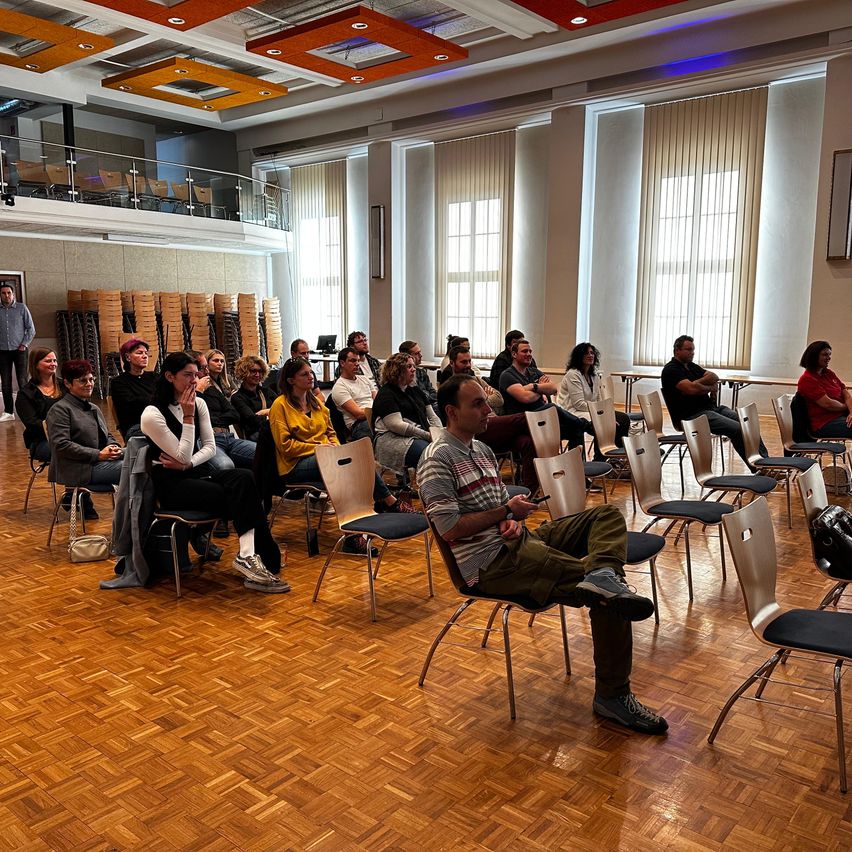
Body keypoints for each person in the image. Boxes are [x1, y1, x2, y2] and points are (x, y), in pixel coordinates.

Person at [417, 374, 667, 735]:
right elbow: (449, 528)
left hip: (517, 542)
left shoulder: (481, 449)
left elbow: (497, 507)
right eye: (478, 404)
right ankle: (613, 696)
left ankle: (603, 574)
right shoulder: (436, 459)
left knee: (605, 516)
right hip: (491, 564)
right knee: (611, 599)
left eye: (485, 402)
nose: (488, 410)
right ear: (451, 412)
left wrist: (509, 516)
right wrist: (505, 513)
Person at [140, 352, 287, 593]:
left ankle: (246, 554)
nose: (194, 380)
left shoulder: (199, 403)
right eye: (187, 375)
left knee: (244, 477)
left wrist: (189, 464)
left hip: (195, 472)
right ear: (169, 377)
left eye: (195, 374)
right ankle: (259, 554)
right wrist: (188, 417)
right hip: (171, 485)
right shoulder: (152, 414)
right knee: (241, 495)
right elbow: (182, 455)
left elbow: (209, 447)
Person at [268, 358, 415, 554]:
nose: (311, 377)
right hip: (295, 465)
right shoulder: (280, 406)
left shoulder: (316, 403)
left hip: (326, 458)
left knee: (355, 462)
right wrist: (320, 448)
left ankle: (358, 530)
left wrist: (335, 449)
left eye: (311, 372)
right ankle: (386, 505)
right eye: (304, 374)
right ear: (290, 380)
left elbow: (331, 432)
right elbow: (286, 446)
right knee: (344, 466)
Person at [441, 344, 539, 492]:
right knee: (526, 419)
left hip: (494, 429)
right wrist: (486, 396)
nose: (468, 365)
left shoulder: (476, 380)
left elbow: (499, 399)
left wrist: (483, 400)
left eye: (469, 361)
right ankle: (553, 430)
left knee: (528, 441)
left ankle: (531, 493)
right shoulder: (451, 388)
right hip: (478, 431)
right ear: (452, 363)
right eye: (463, 362)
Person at [661, 335, 766, 467]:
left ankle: (765, 462)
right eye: (688, 350)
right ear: (677, 350)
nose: (692, 353)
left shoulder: (691, 366)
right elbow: (691, 390)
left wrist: (697, 384)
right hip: (693, 416)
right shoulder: (671, 370)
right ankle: (757, 467)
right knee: (737, 429)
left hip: (710, 409)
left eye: (693, 350)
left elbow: (713, 377)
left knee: (748, 422)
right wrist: (708, 387)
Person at [47, 359, 123, 518]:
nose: (89, 384)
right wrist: (98, 454)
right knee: (133, 469)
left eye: (91, 379)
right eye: (83, 381)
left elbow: (107, 434)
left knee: (141, 457)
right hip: (78, 468)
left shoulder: (93, 408)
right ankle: (132, 517)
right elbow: (61, 445)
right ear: (67, 384)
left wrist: (113, 446)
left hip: (97, 461)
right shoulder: (59, 410)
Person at [499, 339, 585, 448]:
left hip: (543, 420)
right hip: (524, 421)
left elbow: (553, 388)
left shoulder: (534, 371)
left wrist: (533, 386)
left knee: (577, 429)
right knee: (551, 407)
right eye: (525, 351)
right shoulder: (507, 375)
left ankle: (578, 459)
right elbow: (525, 397)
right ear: (514, 354)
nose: (529, 354)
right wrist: (541, 389)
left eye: (530, 351)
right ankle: (587, 425)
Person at [373, 352, 442, 475]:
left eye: (414, 366)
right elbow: (397, 425)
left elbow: (432, 416)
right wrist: (429, 436)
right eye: (409, 366)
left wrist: (439, 433)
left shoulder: (415, 390)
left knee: (444, 448)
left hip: (417, 434)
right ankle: (428, 482)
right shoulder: (386, 394)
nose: (414, 369)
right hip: (392, 438)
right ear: (397, 370)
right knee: (429, 452)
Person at [558, 342, 629, 459]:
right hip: (573, 412)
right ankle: (600, 458)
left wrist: (605, 413)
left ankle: (616, 458)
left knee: (623, 418)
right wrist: (601, 414)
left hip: (589, 411)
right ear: (579, 356)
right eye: (586, 353)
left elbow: (598, 399)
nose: (590, 355)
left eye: (592, 353)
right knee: (604, 422)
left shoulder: (594, 375)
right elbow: (578, 404)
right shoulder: (573, 374)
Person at [198, 348, 256, 469]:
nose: (220, 364)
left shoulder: (223, 382)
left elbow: (234, 414)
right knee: (225, 465)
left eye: (222, 361)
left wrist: (215, 419)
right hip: (210, 437)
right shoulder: (199, 390)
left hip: (228, 434)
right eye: (216, 361)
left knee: (265, 452)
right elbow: (199, 416)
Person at [15, 346, 63, 462]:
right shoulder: (25, 394)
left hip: (71, 435)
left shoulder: (65, 385)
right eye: (48, 361)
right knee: (71, 450)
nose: (53, 364)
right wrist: (63, 429)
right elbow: (33, 424)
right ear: (36, 365)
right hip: (42, 441)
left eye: (55, 360)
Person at [797, 340, 852, 438]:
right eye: (825, 355)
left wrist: (851, 412)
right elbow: (828, 404)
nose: (829, 358)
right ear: (814, 356)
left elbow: (846, 394)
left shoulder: (829, 373)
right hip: (824, 423)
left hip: (841, 416)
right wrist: (846, 406)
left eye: (829, 354)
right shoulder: (807, 379)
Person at [0, 280, 35, 422]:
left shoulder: (22, 308)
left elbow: (31, 329)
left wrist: (24, 344)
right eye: (3, 293)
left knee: (22, 381)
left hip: (20, 350)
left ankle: (28, 410)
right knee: (5, 382)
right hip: (2, 351)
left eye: (9, 293)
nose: (6, 295)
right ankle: (9, 412)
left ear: (13, 294)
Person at [110, 337, 157, 439]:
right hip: (136, 427)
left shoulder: (154, 377)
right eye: (139, 353)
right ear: (128, 357)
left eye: (146, 353)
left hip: (157, 422)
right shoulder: (118, 382)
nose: (145, 356)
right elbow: (133, 407)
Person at [330, 346, 376, 441]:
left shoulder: (365, 379)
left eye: (358, 361)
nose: (357, 364)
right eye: (353, 361)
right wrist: (379, 410)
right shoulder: (339, 386)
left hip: (374, 416)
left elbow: (379, 400)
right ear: (342, 363)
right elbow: (359, 414)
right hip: (359, 424)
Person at [232, 354, 275, 442]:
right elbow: (253, 421)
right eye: (253, 371)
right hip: (255, 436)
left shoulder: (266, 391)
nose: (257, 374)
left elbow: (283, 407)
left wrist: (264, 412)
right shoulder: (237, 398)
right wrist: (273, 414)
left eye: (260, 371)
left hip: (273, 429)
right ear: (244, 372)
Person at [398, 340, 437, 410]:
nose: (421, 355)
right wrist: (426, 396)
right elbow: (413, 398)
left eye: (420, 352)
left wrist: (426, 398)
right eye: (417, 353)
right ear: (407, 356)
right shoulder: (401, 377)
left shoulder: (421, 373)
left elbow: (433, 393)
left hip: (430, 405)